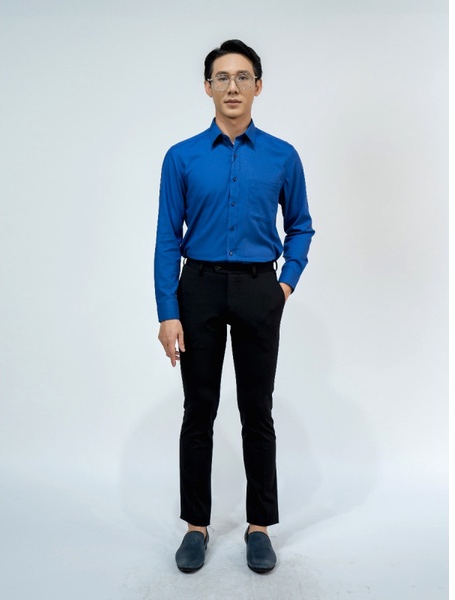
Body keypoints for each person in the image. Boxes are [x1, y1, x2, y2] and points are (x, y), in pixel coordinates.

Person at [154, 39, 315, 574]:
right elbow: (167, 238)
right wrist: (168, 311)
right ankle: (195, 526)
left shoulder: (282, 156)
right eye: (221, 77)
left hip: (257, 288)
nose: (232, 86)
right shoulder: (181, 157)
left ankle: (259, 526)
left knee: (256, 410)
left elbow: (300, 226)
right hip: (197, 287)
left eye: (242, 77)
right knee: (198, 409)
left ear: (258, 86)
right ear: (207, 87)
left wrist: (283, 286)